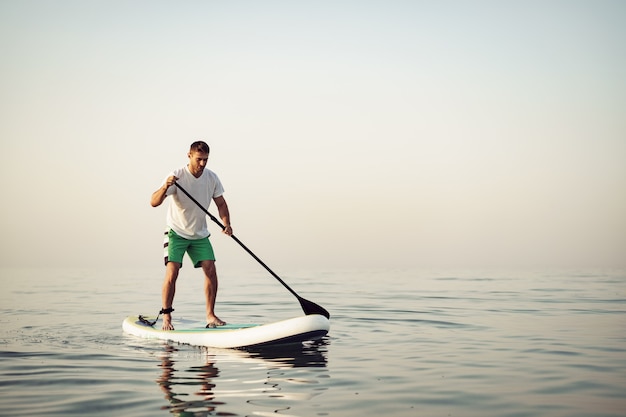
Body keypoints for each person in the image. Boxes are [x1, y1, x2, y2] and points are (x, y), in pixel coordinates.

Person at [151, 141, 232, 331]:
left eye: (206, 160)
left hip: (199, 234)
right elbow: (153, 202)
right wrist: (165, 187)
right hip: (176, 232)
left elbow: (221, 204)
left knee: (210, 269)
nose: (203, 164)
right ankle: (166, 317)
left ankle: (210, 315)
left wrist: (227, 223)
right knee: (173, 270)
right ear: (189, 155)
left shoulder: (212, 178)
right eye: (199, 159)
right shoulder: (177, 176)